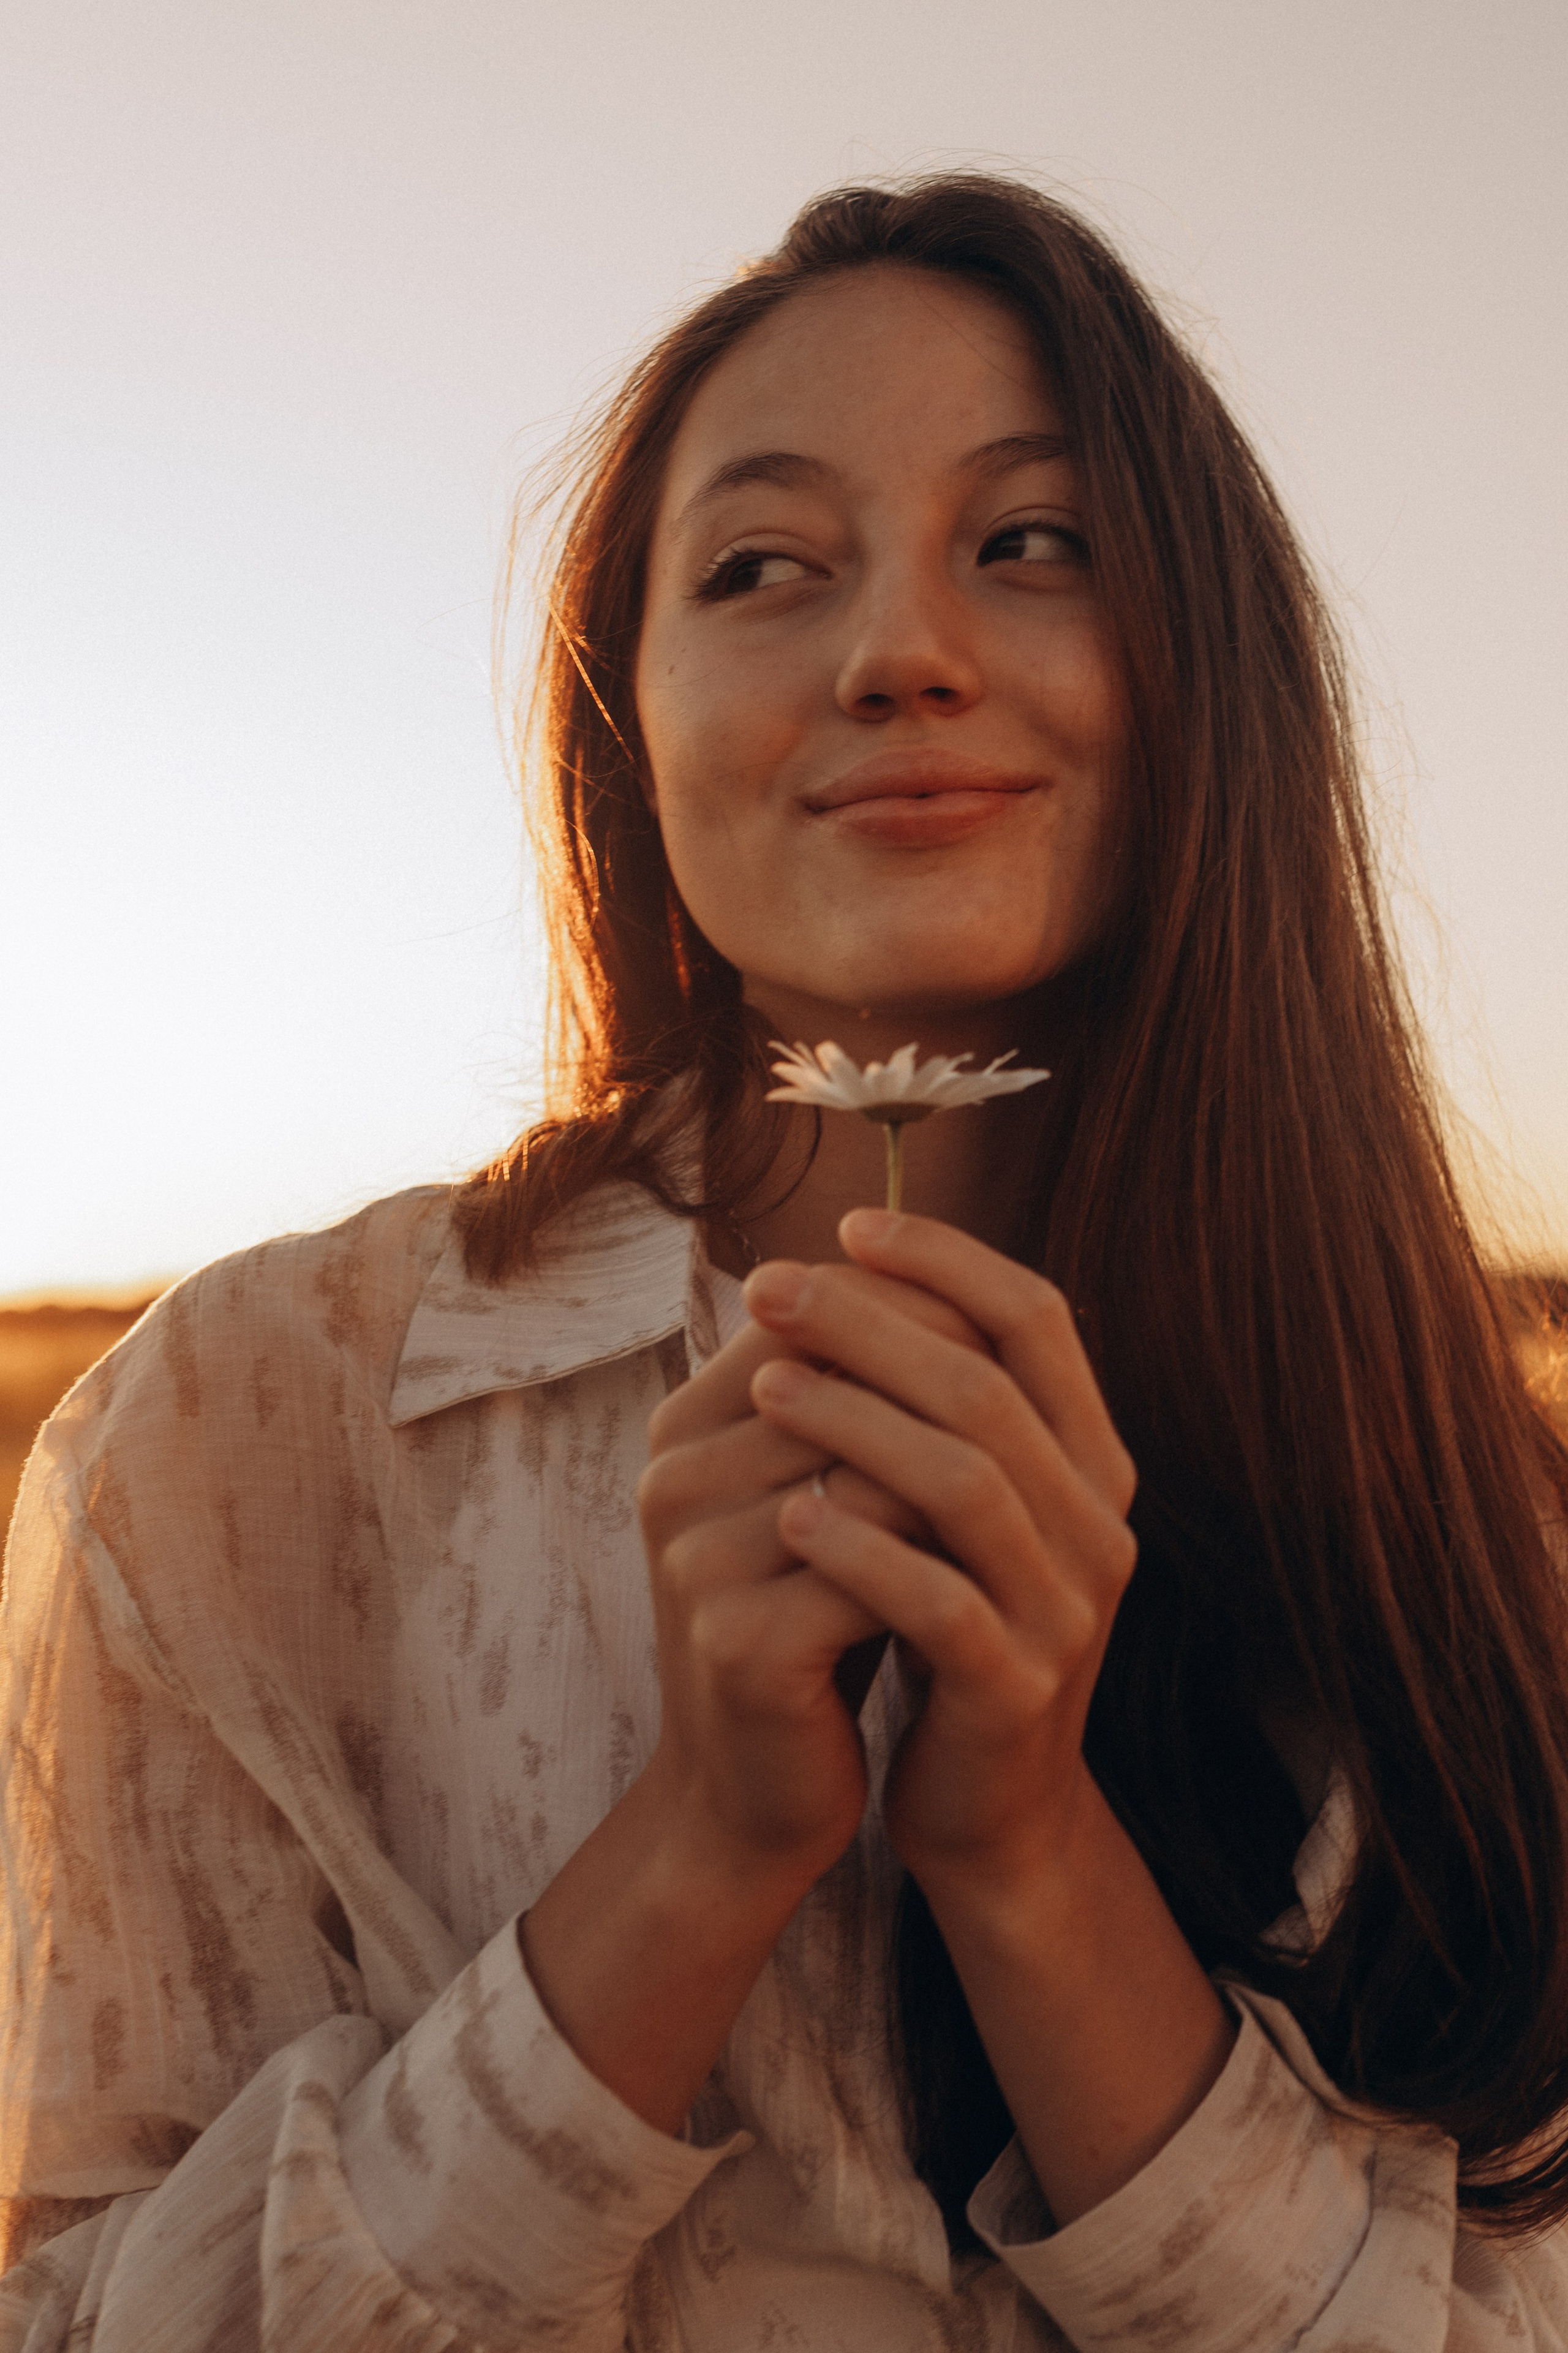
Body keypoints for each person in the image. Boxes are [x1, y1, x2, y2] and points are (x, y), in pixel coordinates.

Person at [2, 172, 1566, 2353]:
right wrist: (697, 1852)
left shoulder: (1457, 1516)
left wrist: (1025, 1848)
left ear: (1215, 672)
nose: (897, 651)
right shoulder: (237, 1442)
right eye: (762, 567)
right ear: (630, 734)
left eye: (1036, 543)